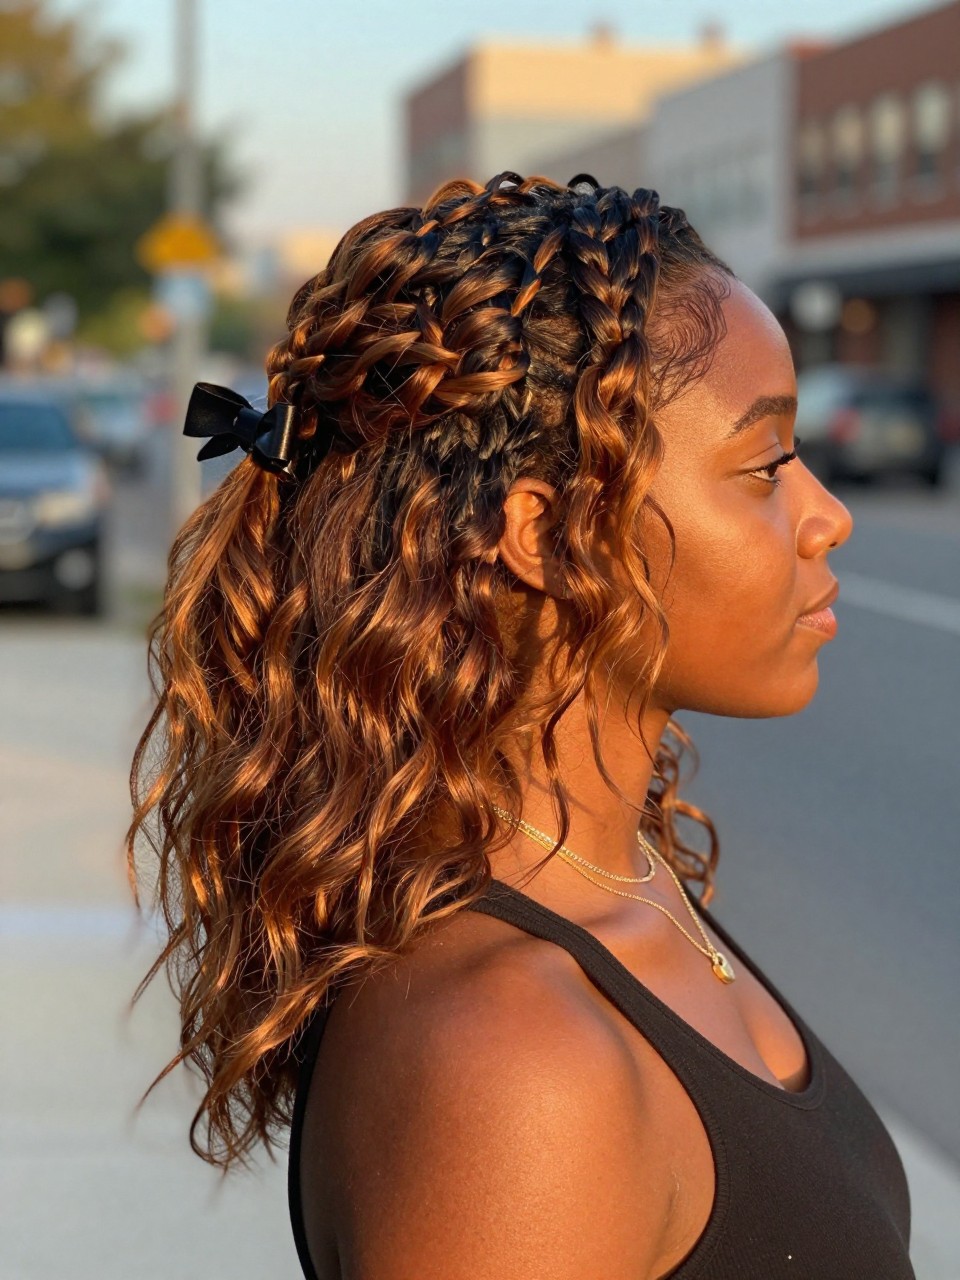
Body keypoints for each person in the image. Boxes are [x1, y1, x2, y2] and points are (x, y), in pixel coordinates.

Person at [126, 174, 915, 1279]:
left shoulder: (623, 880)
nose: (826, 516)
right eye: (765, 467)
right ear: (544, 534)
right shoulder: (514, 1067)